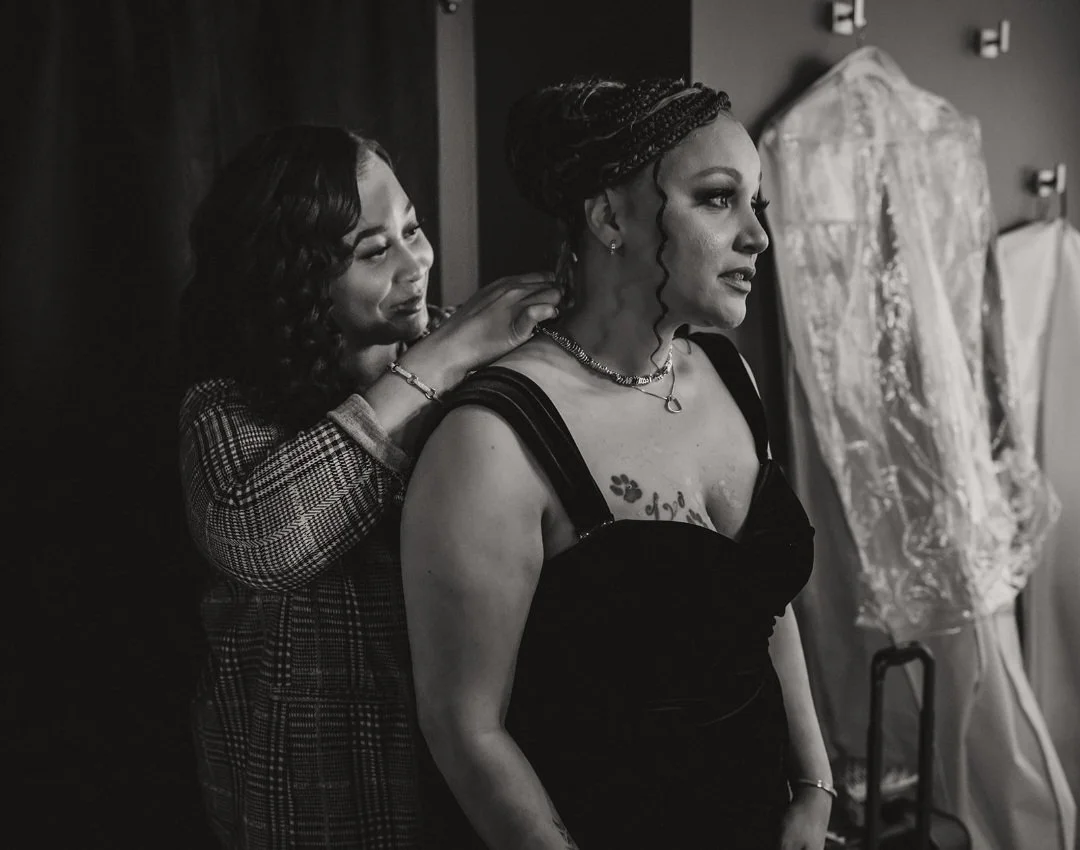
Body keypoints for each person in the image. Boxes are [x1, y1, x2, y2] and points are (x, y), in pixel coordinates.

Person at [401, 78, 833, 849]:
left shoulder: (728, 375)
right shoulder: (493, 441)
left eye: (756, 200)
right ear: (609, 217)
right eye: (716, 198)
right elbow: (466, 730)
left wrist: (813, 786)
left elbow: (761, 605)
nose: (759, 235)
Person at [177, 124, 560, 849]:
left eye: (413, 229)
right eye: (375, 251)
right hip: (313, 798)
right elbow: (263, 542)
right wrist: (443, 359)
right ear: (292, 271)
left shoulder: (476, 364)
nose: (416, 266)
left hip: (473, 780)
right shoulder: (228, 405)